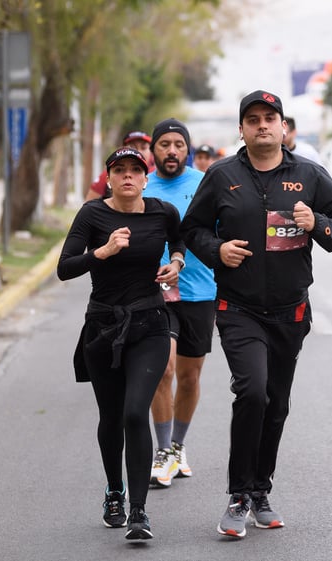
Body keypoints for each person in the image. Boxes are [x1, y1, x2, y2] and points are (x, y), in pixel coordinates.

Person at [180, 90, 332, 538]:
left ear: (283, 127)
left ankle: (261, 490)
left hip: (290, 312)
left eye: (270, 118)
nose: (262, 125)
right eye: (253, 119)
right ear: (240, 129)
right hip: (238, 307)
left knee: (276, 403)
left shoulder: (310, 176)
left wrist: (317, 223)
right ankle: (239, 495)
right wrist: (217, 250)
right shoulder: (221, 175)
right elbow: (193, 229)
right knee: (253, 392)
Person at [57, 147, 185, 541]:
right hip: (103, 328)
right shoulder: (92, 214)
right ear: (109, 178)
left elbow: (180, 244)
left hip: (149, 323)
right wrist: (103, 251)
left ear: (145, 179)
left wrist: (176, 264)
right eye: (120, 170)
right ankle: (115, 492)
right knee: (111, 417)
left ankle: (139, 512)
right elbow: (64, 268)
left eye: (135, 170)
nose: (128, 176)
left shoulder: (163, 212)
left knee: (134, 413)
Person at [143, 119, 216, 489]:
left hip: (200, 292)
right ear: (153, 150)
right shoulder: (142, 186)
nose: (171, 151)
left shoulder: (204, 185)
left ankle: (178, 445)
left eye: (178, 144)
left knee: (189, 377)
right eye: (164, 144)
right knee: (164, 369)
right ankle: (162, 450)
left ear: (188, 150)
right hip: (156, 295)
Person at [86, 131, 155, 201]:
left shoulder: (159, 174)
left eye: (143, 148)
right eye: (133, 147)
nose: (139, 151)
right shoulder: (109, 173)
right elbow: (90, 202)